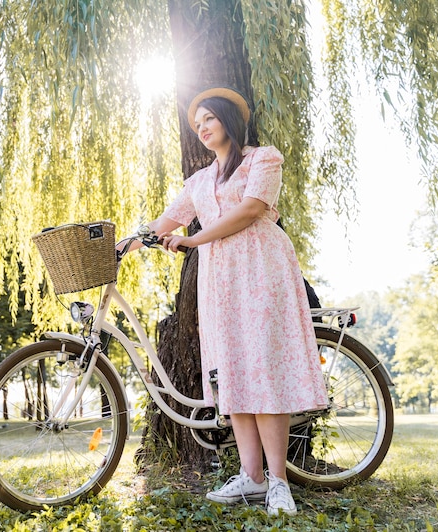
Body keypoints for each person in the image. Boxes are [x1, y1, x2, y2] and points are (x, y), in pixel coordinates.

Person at [135, 87, 328, 516]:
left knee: (263, 366)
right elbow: (166, 221)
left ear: (228, 119)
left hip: (261, 269)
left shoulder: (263, 159)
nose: (202, 128)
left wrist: (192, 240)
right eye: (196, 124)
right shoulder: (199, 182)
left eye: (209, 119)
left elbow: (251, 210)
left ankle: (279, 482)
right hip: (220, 280)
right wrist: (124, 244)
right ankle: (252, 477)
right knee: (234, 370)